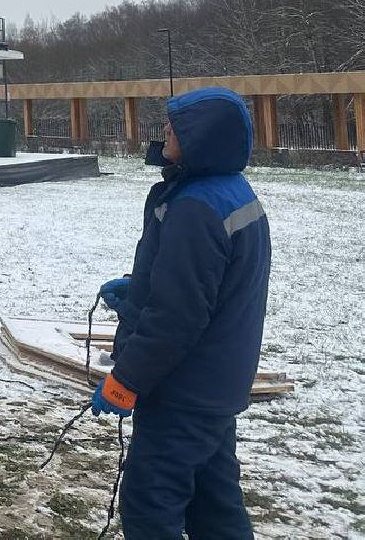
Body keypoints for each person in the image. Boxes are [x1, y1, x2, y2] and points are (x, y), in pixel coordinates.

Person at [92, 87, 272, 538]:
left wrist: (126, 381)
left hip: (182, 393)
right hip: (215, 387)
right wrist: (140, 289)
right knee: (215, 509)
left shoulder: (195, 206)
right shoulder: (230, 193)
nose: (166, 132)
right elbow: (209, 285)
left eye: (176, 126)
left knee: (150, 507)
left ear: (201, 138)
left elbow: (176, 318)